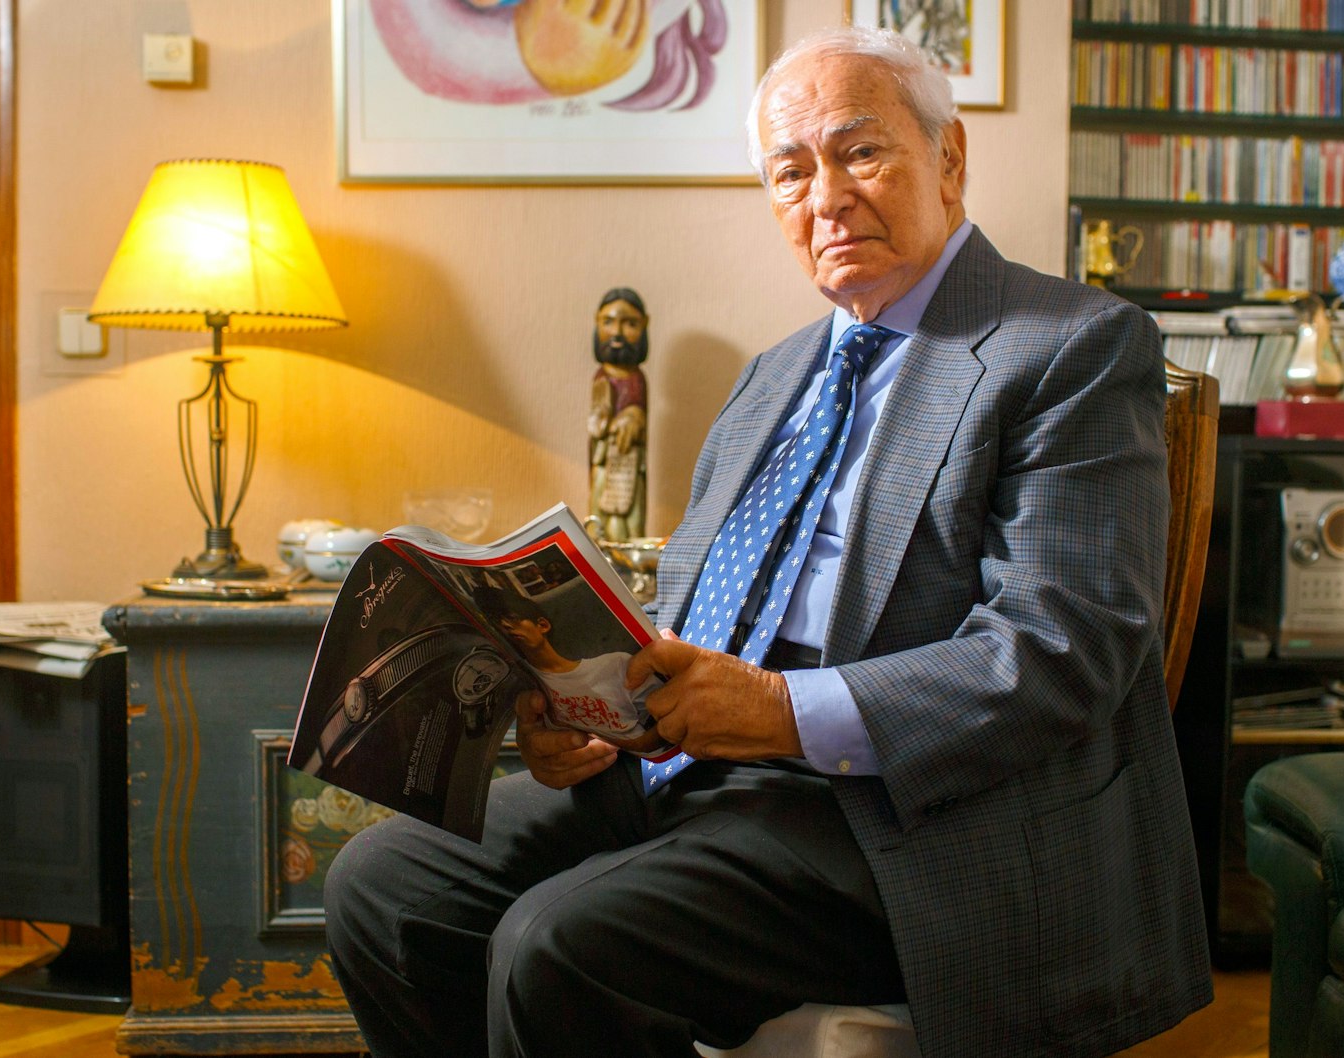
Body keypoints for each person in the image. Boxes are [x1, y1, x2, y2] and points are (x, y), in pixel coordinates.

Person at [325, 26, 1211, 1058]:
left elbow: (1062, 647)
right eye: (789, 172)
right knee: (381, 885)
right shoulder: (774, 375)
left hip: (910, 814)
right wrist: (591, 709)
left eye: (859, 152)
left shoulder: (1069, 346)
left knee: (553, 943)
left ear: (949, 158)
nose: (824, 197)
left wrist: (780, 711)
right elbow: (696, 608)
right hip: (698, 773)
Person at [476, 589, 662, 751]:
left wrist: (640, 743)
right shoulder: (528, 685)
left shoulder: (615, 664)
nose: (506, 626)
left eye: (512, 618)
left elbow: (662, 721)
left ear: (543, 625)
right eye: (498, 624)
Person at [587, 287, 650, 542]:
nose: (617, 332)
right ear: (597, 321)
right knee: (601, 514)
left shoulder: (638, 378)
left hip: (631, 463)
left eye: (630, 324)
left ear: (645, 325)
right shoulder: (601, 377)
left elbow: (640, 413)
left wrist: (635, 416)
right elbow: (596, 423)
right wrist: (609, 423)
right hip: (605, 462)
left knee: (632, 519)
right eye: (608, 322)